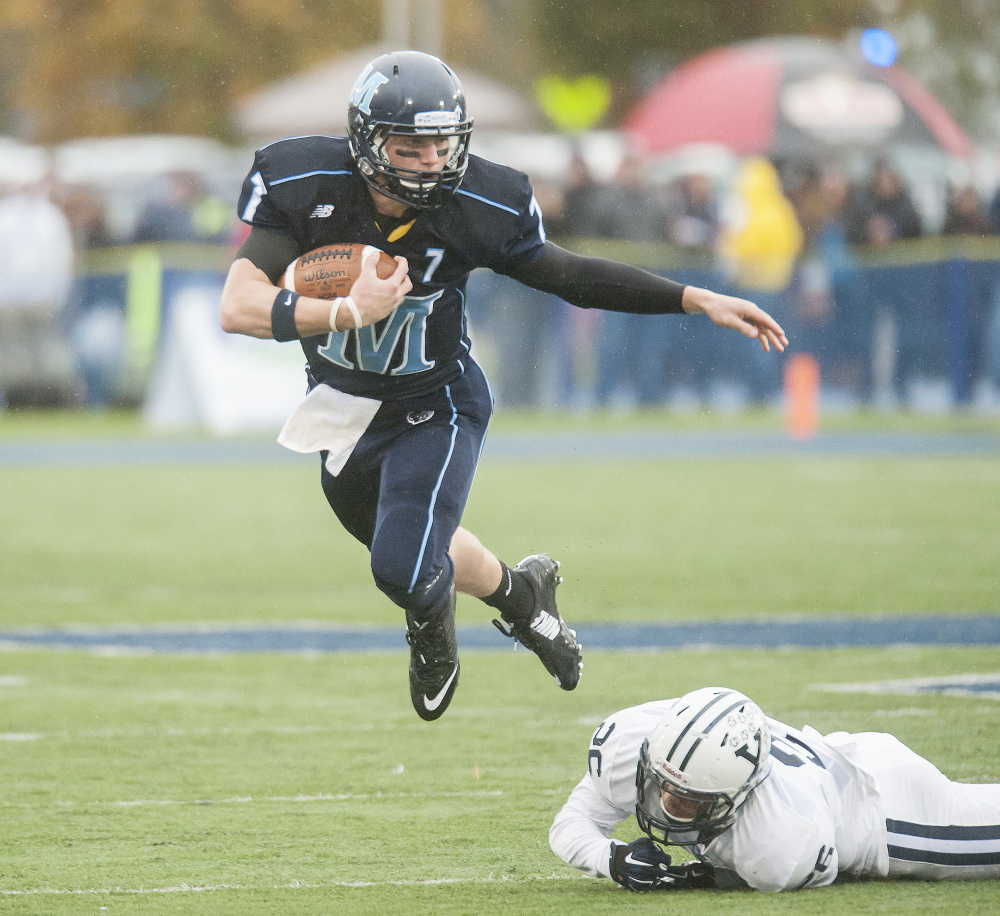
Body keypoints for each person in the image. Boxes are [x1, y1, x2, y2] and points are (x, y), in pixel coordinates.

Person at [218, 51, 787, 723]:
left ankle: (433, 637)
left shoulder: (478, 204)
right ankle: (523, 598)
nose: (431, 160)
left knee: (403, 567)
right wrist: (345, 311)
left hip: (437, 404)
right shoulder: (306, 180)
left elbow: (572, 277)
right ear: (367, 143)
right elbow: (238, 307)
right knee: (419, 542)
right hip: (342, 407)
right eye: (411, 146)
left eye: (442, 143)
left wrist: (693, 297)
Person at [549, 686, 1000, 892]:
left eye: (690, 800)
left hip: (885, 814)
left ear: (738, 797)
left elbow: (791, 869)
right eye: (664, 784)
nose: (668, 803)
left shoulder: (778, 840)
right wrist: (612, 860)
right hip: (834, 757)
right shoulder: (635, 747)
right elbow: (572, 822)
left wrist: (704, 879)